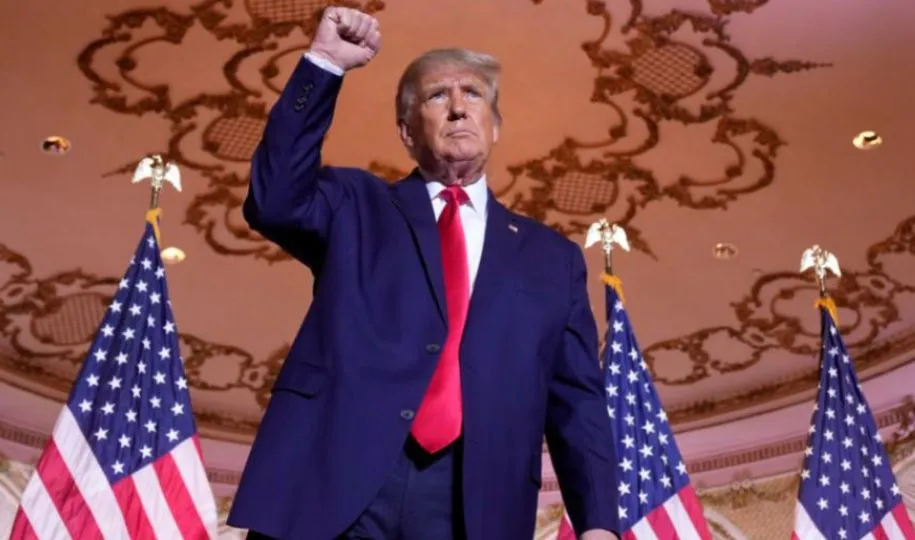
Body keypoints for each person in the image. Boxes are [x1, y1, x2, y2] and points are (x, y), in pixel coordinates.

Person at [227, 6, 621, 540]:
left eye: (474, 95)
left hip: (475, 500)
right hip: (334, 478)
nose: (459, 108)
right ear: (408, 133)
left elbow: (577, 399)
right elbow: (273, 200)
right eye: (438, 96)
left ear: (495, 125)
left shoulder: (553, 258)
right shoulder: (356, 205)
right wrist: (324, 64)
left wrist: (598, 522)